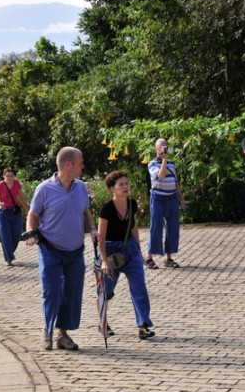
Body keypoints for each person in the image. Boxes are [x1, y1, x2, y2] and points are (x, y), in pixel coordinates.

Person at [25, 147, 98, 351]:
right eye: (80, 162)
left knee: (72, 293)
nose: (83, 166)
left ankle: (62, 335)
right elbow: (32, 214)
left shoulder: (81, 187)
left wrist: (92, 229)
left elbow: (86, 212)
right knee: (52, 290)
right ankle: (46, 330)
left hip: (75, 250)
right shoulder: (44, 189)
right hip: (50, 247)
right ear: (68, 165)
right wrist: (31, 232)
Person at [97, 170, 155, 340]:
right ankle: (103, 323)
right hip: (110, 251)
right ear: (112, 189)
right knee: (105, 290)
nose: (125, 187)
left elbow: (133, 227)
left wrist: (138, 250)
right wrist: (104, 261)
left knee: (139, 287)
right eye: (120, 184)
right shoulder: (107, 209)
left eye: (126, 183)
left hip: (129, 249)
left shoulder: (131, 204)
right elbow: (100, 236)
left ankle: (142, 325)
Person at [146, 138, 187, 269]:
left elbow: (176, 183)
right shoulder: (152, 164)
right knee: (156, 227)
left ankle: (169, 258)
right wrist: (164, 160)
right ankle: (149, 258)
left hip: (172, 198)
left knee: (173, 228)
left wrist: (181, 199)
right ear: (156, 149)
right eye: (161, 147)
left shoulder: (172, 164)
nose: (164, 149)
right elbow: (161, 176)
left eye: (165, 147)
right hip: (158, 198)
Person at [0, 168, 30, 267]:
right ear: (4, 176)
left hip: (14, 211)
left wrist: (27, 211)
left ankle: (8, 252)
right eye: (7, 176)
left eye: (11, 176)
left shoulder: (16, 183)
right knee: (5, 235)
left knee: (17, 234)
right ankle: (9, 258)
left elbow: (22, 197)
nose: (9, 178)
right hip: (2, 212)